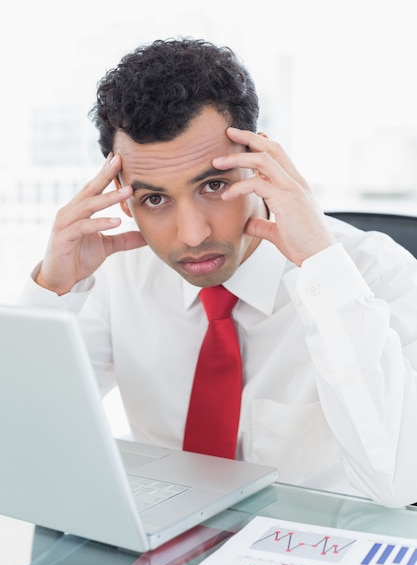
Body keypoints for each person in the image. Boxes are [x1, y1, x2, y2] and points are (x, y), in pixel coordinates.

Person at [20, 37, 417, 507]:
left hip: (308, 559)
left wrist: (320, 268)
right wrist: (53, 290)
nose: (191, 234)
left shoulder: (377, 274)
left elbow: (396, 485)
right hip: (159, 552)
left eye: (213, 184)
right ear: (120, 191)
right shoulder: (117, 273)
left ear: (261, 163)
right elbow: (21, 438)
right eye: (154, 199)